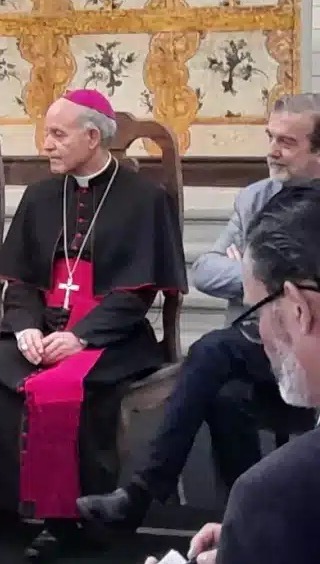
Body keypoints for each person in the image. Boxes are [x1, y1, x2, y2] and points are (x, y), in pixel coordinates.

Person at [0, 89, 188, 561]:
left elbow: (136, 294)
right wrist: (24, 328)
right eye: (47, 133)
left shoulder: (143, 199)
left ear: (92, 136)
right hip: (43, 325)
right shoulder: (41, 196)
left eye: (58, 135)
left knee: (76, 391)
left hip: (112, 334)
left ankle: (72, 518)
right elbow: (20, 282)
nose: (47, 144)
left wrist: (80, 337)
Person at [78, 93, 320, 532]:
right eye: (271, 137)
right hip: (256, 343)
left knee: (210, 351)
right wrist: (261, 281)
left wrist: (260, 275)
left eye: (287, 142)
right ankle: (243, 521)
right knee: (227, 397)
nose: (272, 150)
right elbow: (206, 270)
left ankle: (142, 491)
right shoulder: (255, 198)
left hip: (306, 344)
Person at [145, 180, 320, 564]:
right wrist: (255, 537)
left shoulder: (278, 491)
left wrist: (259, 524)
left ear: (297, 310)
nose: (258, 330)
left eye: (256, 311)